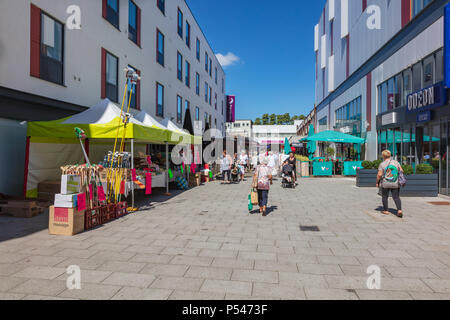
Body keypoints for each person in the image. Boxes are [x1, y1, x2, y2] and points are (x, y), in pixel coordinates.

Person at [376, 150, 404, 218]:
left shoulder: (382, 164)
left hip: (385, 183)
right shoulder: (396, 162)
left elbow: (379, 175)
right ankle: (399, 210)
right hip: (395, 182)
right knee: (396, 197)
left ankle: (386, 210)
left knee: (385, 197)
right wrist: (394, 173)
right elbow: (401, 170)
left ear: (383, 156)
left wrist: (377, 182)